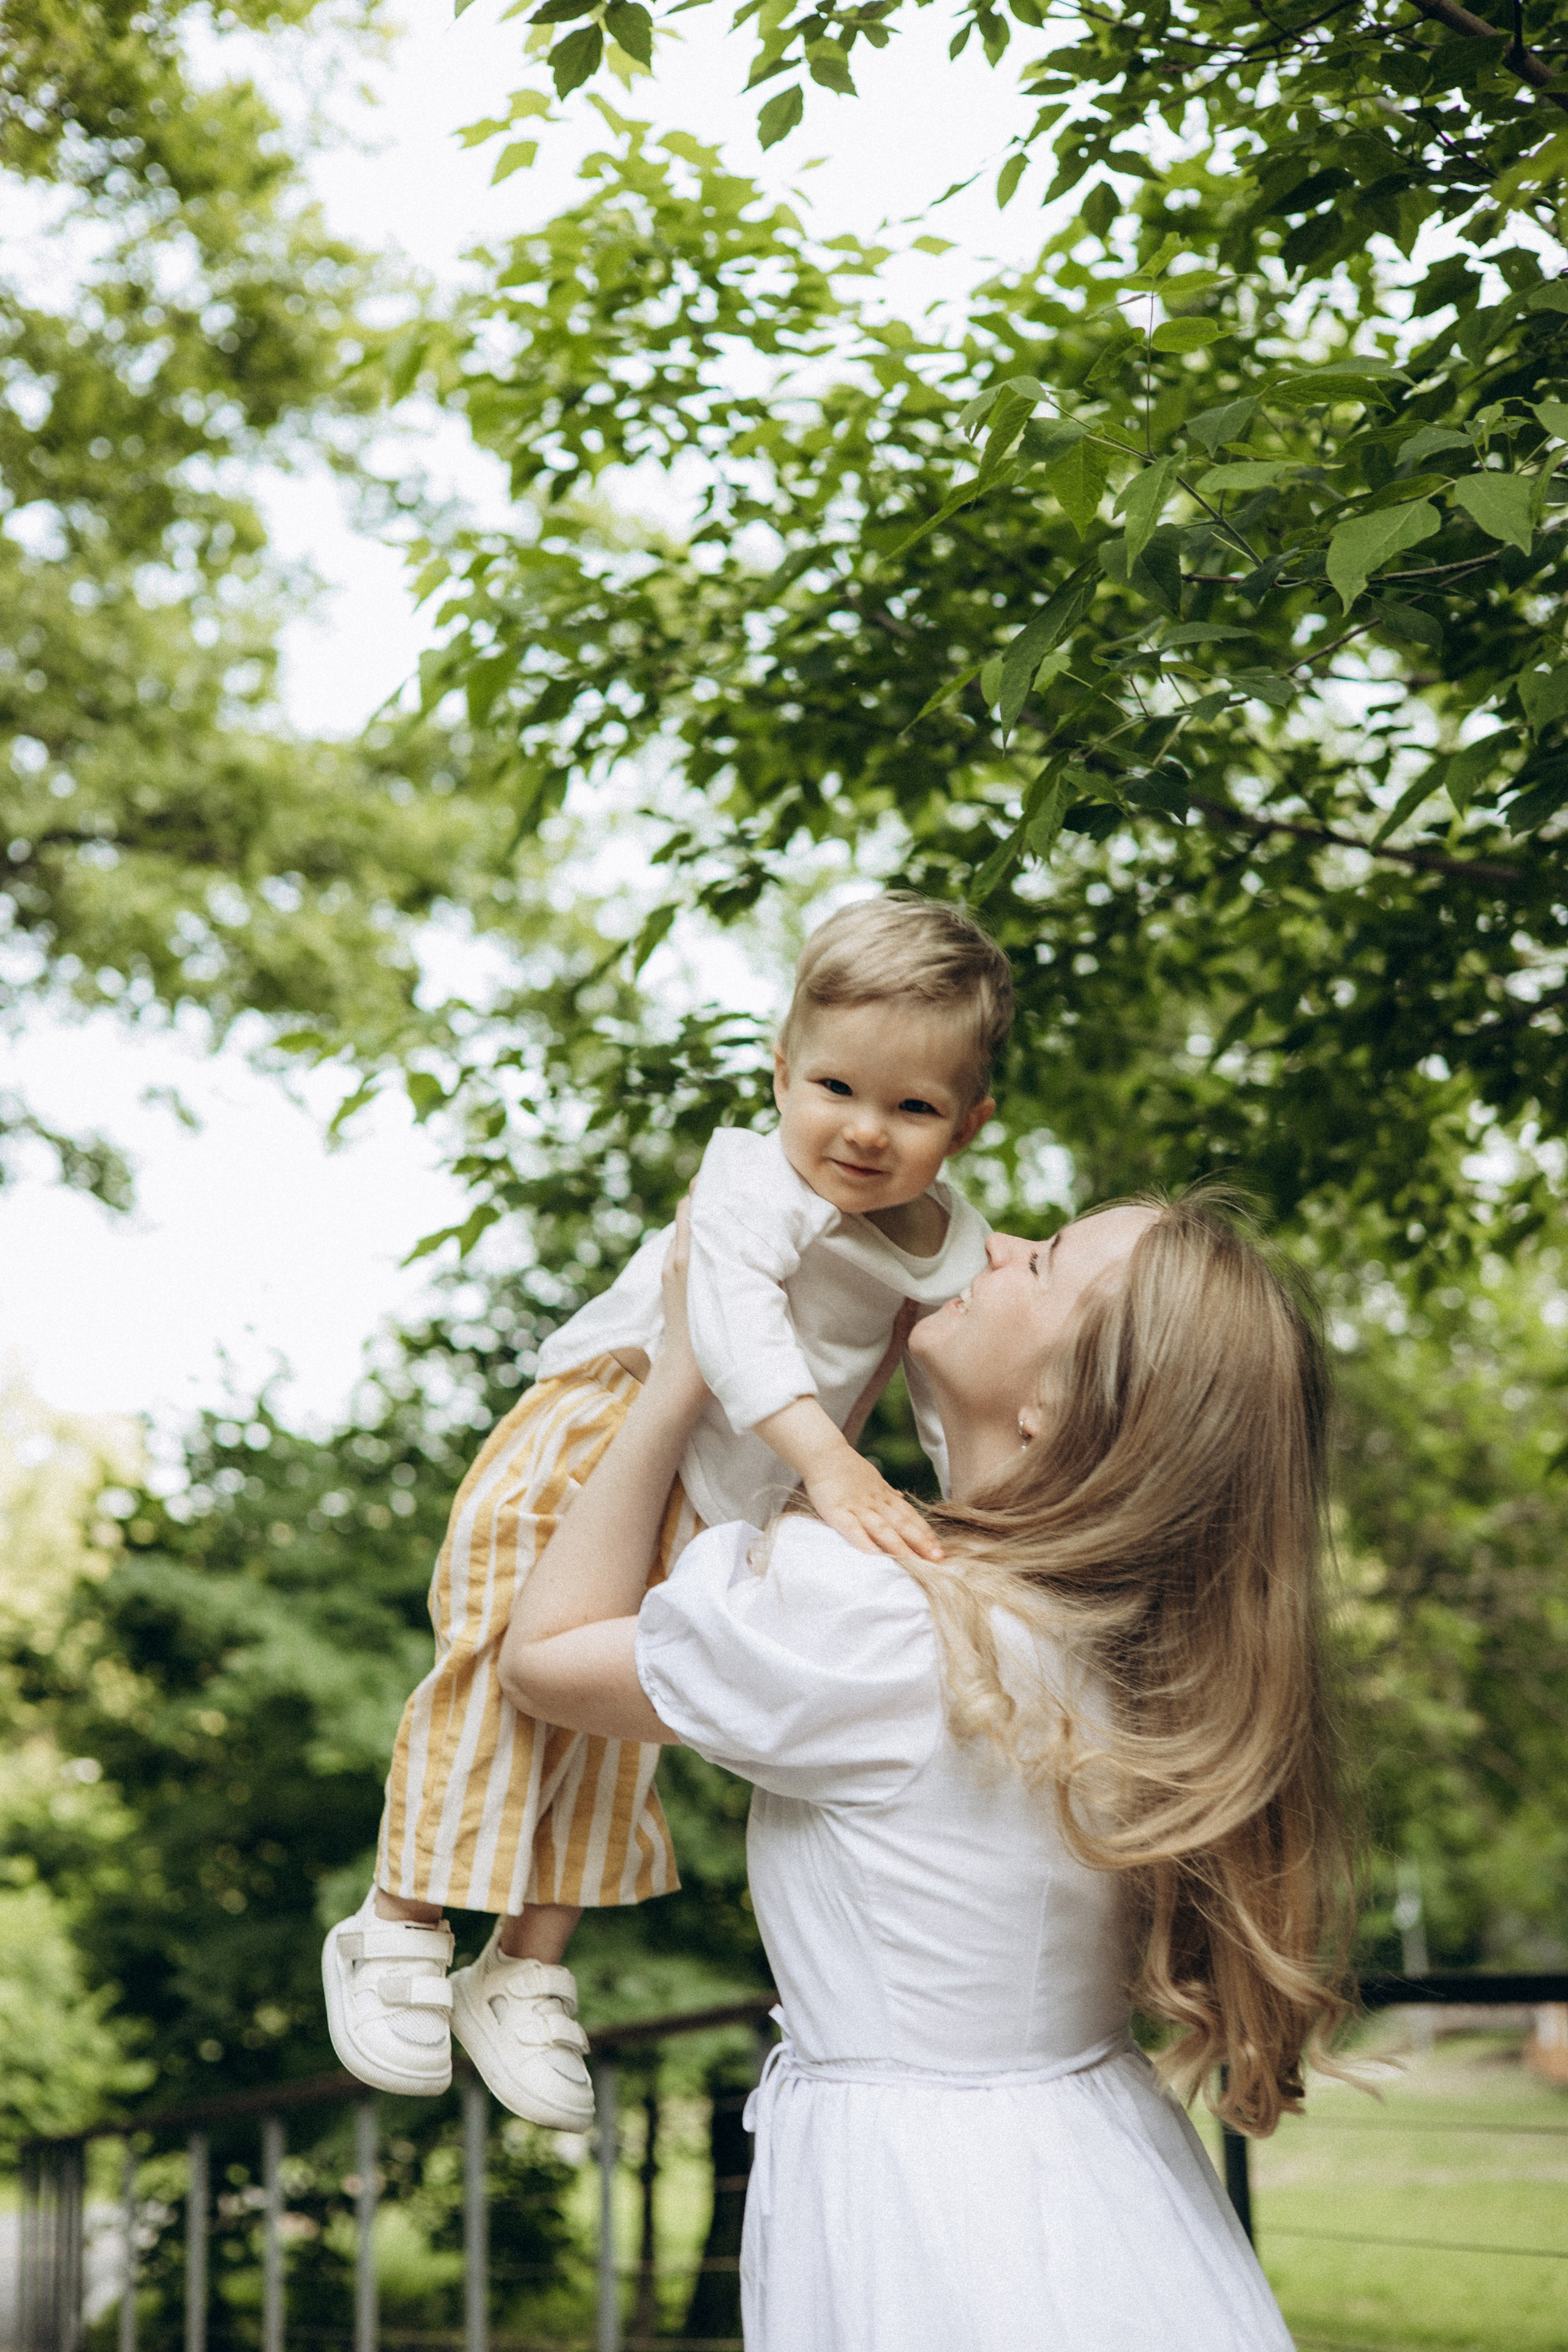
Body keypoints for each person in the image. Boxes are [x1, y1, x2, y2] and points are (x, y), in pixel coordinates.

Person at [498, 1189, 1355, 2351]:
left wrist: (692, 1367)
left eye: (1041, 1265)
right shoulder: (1119, 1640)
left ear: (1055, 1406)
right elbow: (866, 1507)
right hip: (1095, 2174)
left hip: (928, 2217)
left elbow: (544, 1656)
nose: (995, 1247)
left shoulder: (887, 1627)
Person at [322, 894, 1012, 2128]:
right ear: (779, 1070)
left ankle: (525, 1964)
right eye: (834, 1087)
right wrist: (831, 1466)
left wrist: (959, 1510)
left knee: (619, 1721)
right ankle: (396, 1920)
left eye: (910, 1109)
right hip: (602, 1427)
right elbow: (731, 1329)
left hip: (726, 1497)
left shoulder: (946, 1242)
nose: (862, 1132)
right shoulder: (751, 1178)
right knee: (494, 1669)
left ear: (968, 1123)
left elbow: (938, 1377)